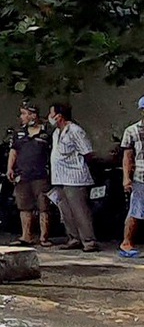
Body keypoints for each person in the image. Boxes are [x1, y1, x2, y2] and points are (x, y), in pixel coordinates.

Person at [47, 102, 99, 252]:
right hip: (59, 177)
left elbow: (87, 152)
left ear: (59, 116)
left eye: (51, 114)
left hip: (75, 177)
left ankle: (89, 241)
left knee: (79, 210)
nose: (49, 117)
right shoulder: (56, 133)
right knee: (65, 211)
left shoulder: (75, 131)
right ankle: (73, 238)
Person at [5, 103, 53, 248]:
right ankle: (26, 236)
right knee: (24, 206)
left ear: (33, 115)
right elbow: (14, 151)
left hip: (41, 175)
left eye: (24, 113)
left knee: (43, 206)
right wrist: (10, 168)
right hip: (22, 175)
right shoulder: (19, 133)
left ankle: (44, 237)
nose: (22, 117)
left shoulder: (47, 133)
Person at [124, 98, 144, 258]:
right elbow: (127, 157)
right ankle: (126, 243)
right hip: (140, 176)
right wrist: (126, 178)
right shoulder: (132, 131)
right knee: (135, 211)